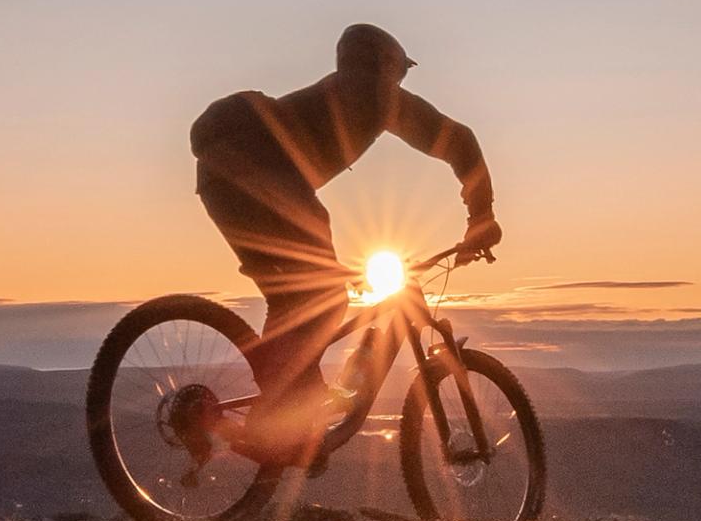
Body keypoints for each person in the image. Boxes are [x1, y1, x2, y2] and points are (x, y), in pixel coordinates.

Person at [189, 23, 501, 457]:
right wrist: (481, 217)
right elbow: (459, 141)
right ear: (390, 66)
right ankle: (285, 418)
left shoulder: (339, 95)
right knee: (325, 297)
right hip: (254, 170)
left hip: (218, 182)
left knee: (295, 298)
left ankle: (283, 421)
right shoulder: (381, 97)